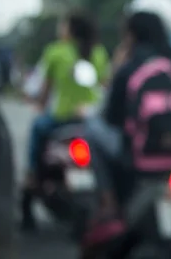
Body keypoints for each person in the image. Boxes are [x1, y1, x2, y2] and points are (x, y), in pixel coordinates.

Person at [80, 10, 171, 251]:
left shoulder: (129, 69)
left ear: (131, 35)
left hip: (140, 164)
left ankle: (109, 203)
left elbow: (112, 118)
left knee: (91, 129)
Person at [22, 11, 110, 193]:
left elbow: (45, 89)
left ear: (70, 29)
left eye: (63, 25)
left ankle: (32, 176)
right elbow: (105, 87)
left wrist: (39, 104)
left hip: (62, 117)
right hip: (91, 119)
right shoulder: (99, 52)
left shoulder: (55, 51)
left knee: (37, 129)